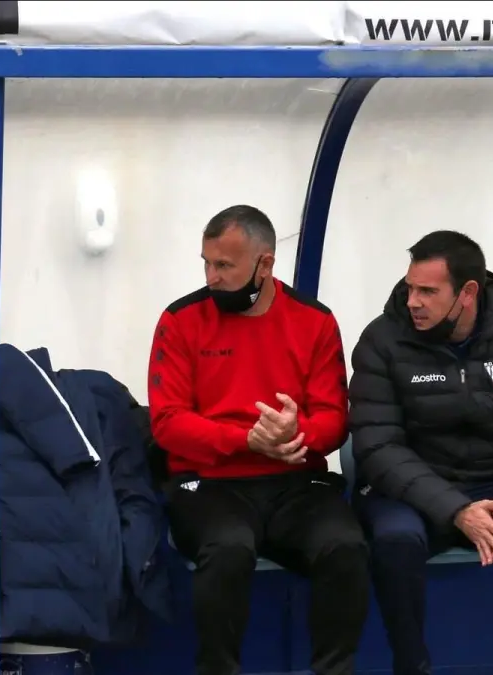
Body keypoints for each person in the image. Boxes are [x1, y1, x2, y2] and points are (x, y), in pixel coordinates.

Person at [347, 230, 493, 675]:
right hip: (411, 494)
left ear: (467, 293)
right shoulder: (382, 340)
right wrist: (456, 510)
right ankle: (412, 667)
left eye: (428, 291)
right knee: (396, 541)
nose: (413, 301)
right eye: (410, 288)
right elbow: (377, 447)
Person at [147, 205, 369, 675]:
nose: (211, 277)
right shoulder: (180, 320)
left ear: (265, 264)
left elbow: (334, 420)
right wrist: (246, 439)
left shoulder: (314, 321)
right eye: (206, 263)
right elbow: (167, 422)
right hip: (209, 484)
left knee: (345, 545)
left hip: (295, 484)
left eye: (224, 265)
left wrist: (295, 434)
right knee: (228, 548)